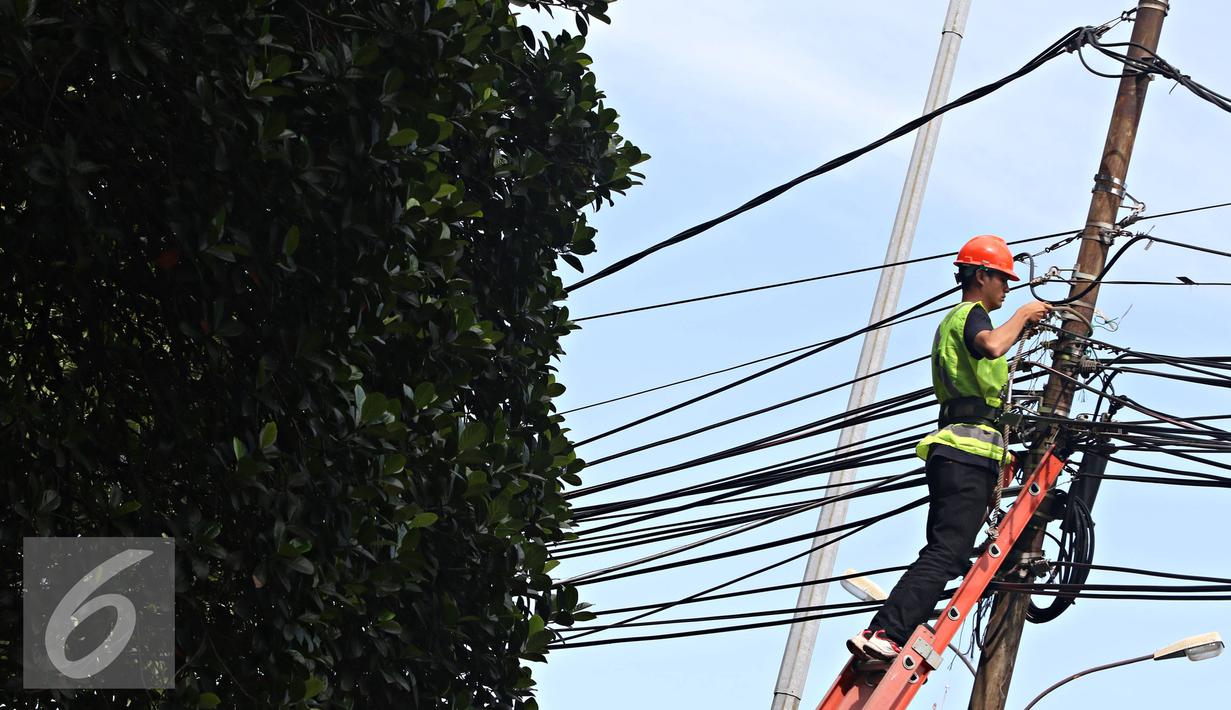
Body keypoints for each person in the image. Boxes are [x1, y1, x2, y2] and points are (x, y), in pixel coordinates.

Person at [846, 234, 1051, 661]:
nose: (1007, 288)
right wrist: (1023, 314)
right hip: (965, 454)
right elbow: (993, 345)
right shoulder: (971, 315)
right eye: (1002, 279)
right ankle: (887, 629)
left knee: (946, 551)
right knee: (948, 552)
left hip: (958, 454)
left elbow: (990, 367)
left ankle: (892, 629)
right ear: (982, 275)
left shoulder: (958, 322)